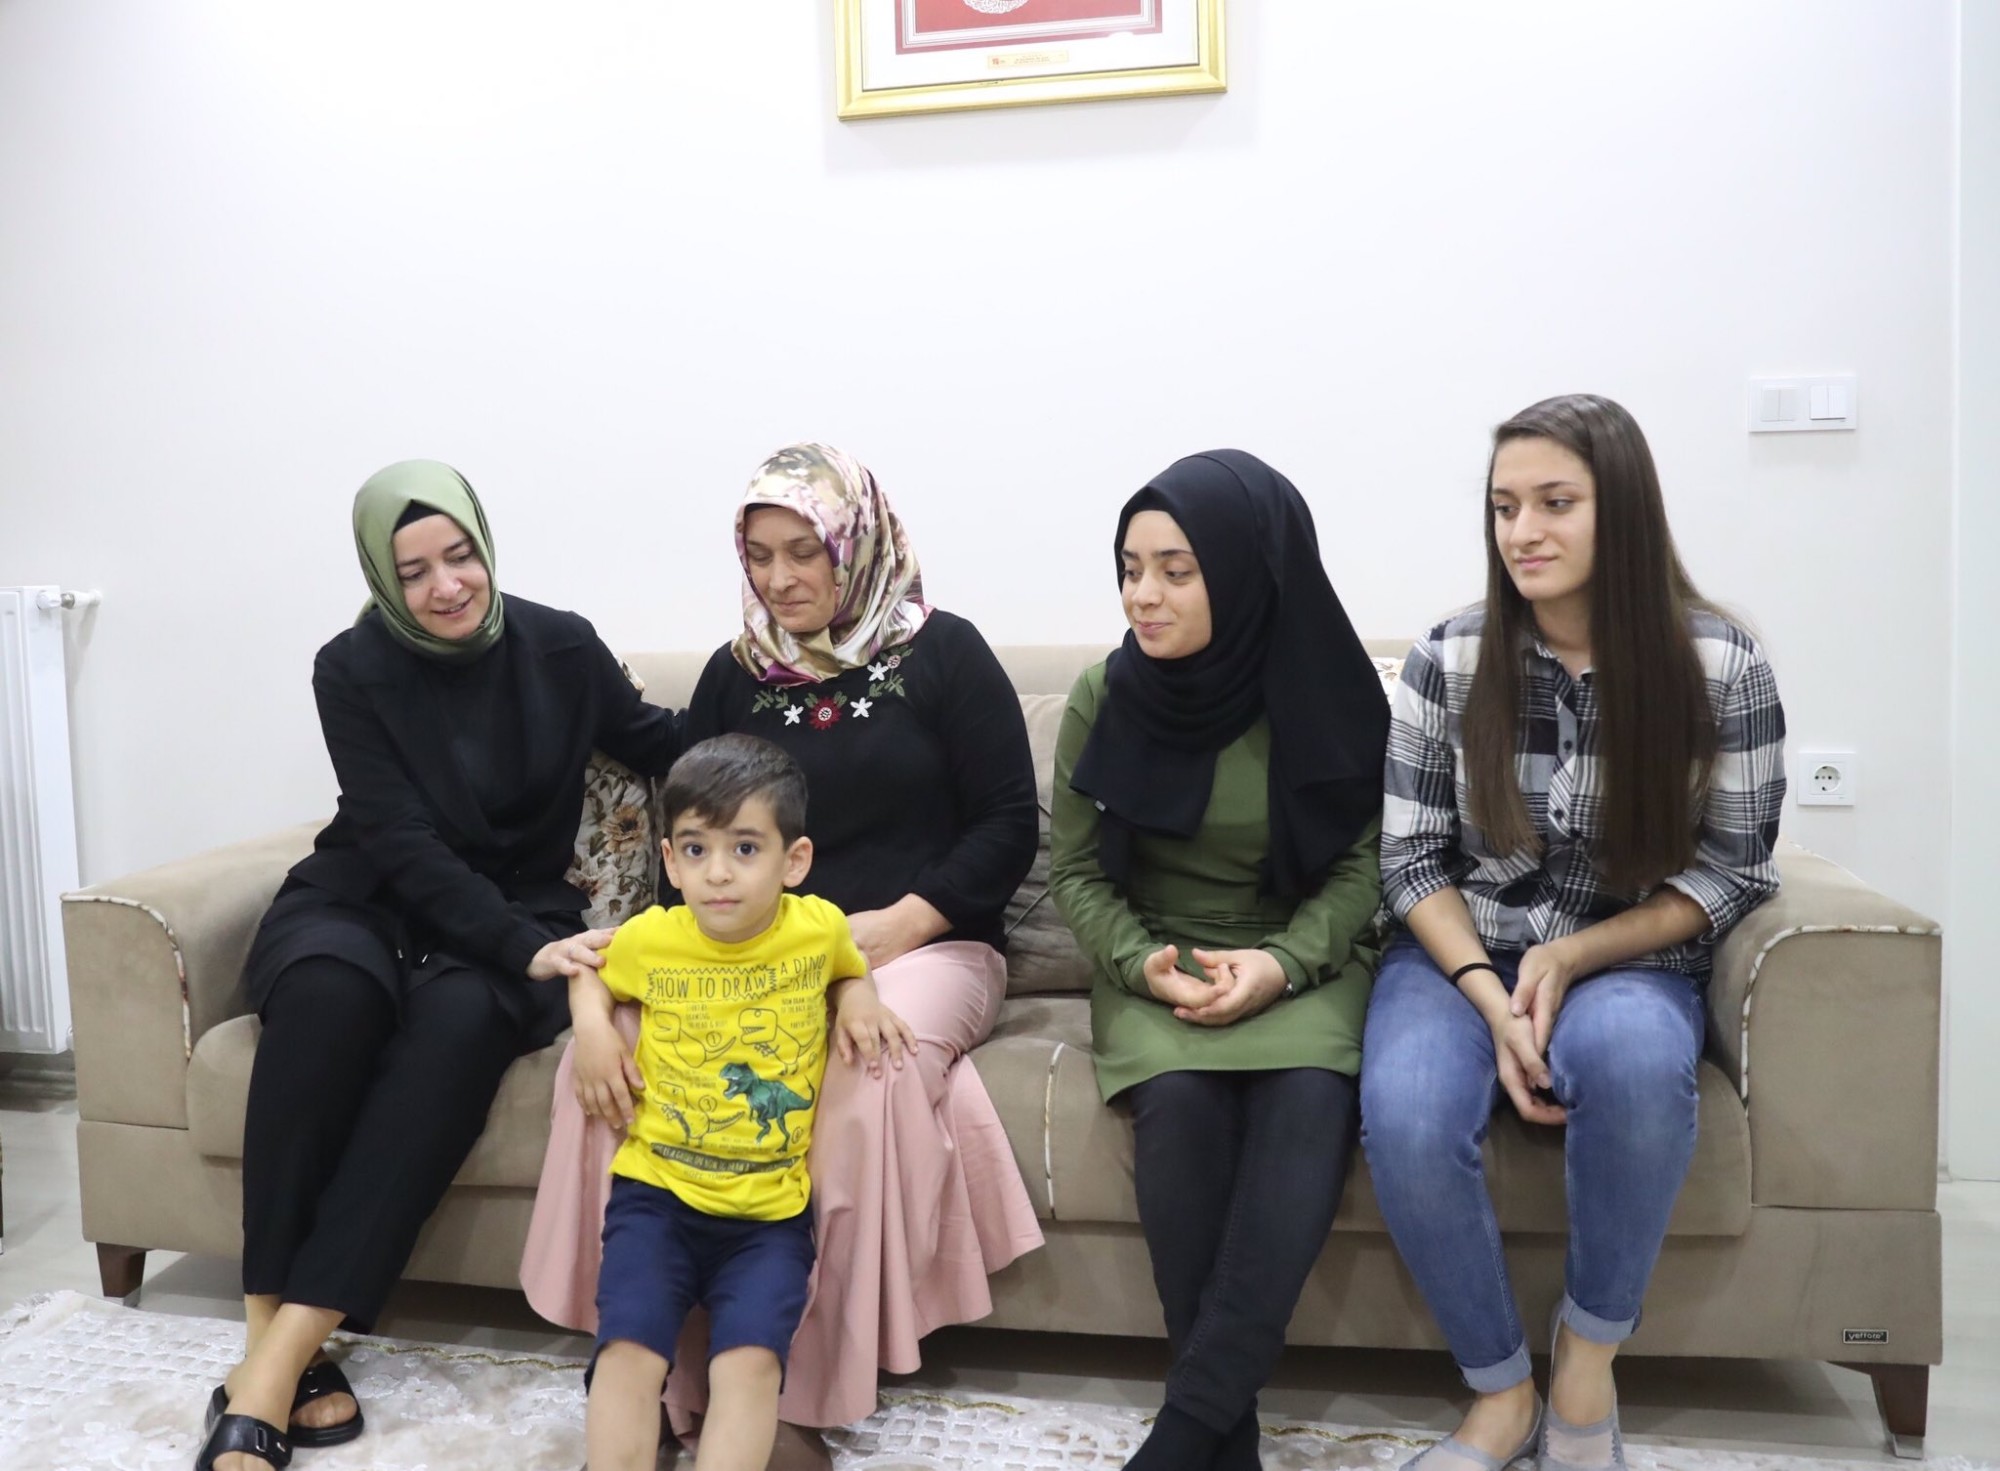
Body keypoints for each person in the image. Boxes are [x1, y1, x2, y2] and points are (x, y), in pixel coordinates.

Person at [523, 443, 1043, 1450]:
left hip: (923, 947)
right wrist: (597, 1007)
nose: (780, 579)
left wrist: (900, 924)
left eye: (804, 552)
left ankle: (797, 1395)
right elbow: (692, 831)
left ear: (856, 545)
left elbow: (1006, 826)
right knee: (612, 1057)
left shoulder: (946, 654)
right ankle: (647, 1365)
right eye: (759, 556)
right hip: (745, 953)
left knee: (861, 1069)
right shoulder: (736, 673)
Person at [195, 461, 683, 1471]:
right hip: (365, 897)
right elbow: (397, 837)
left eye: (459, 556)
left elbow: (661, 742)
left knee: (459, 1029)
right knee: (323, 1001)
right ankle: (267, 1340)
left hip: (513, 919)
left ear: (484, 545)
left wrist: (775, 700)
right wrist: (521, 945)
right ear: (383, 577)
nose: (446, 586)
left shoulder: (561, 646)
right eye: (413, 571)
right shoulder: (350, 667)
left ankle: (273, 1369)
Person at [1361, 394, 1788, 1471]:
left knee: (1636, 1064)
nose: (1523, 531)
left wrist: (1569, 954)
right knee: (1406, 1110)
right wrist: (1490, 993)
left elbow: (1730, 871)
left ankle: (1586, 1368)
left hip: (1628, 950)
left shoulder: (1720, 664)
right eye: (1505, 506)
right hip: (1459, 951)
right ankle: (1500, 1392)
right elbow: (1411, 862)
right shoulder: (1448, 656)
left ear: (1622, 509)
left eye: (1555, 502)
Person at [1049, 450, 1390, 1471]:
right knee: (1183, 1104)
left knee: (1307, 1097)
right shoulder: (1104, 694)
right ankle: (1222, 1437)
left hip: (1302, 956)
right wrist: (1139, 961)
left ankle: (1187, 1429)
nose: (1141, 595)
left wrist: (1281, 963)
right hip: (1161, 957)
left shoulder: (1326, 689)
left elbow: (1364, 865)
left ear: (1244, 573)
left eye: (1176, 570)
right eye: (1129, 568)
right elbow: (1075, 870)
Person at [575, 733, 915, 1471]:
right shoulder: (651, 937)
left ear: (795, 860)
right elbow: (589, 970)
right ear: (670, 861)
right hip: (655, 1198)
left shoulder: (818, 927)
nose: (719, 873)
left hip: (769, 1218)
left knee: (752, 1365)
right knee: (628, 1351)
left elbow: (848, 967)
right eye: (697, 850)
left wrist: (858, 996)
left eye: (746, 848)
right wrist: (592, 1028)